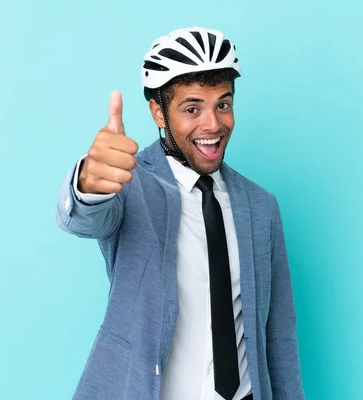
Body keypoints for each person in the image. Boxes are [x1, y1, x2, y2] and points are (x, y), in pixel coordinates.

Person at [56, 26, 305, 400]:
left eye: (223, 104)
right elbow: (85, 218)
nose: (213, 125)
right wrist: (89, 183)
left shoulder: (261, 205)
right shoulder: (129, 185)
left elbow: (278, 335)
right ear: (158, 111)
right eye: (192, 108)